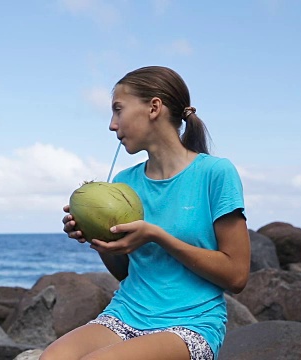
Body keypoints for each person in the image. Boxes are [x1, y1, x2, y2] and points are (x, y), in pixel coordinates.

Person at [40, 66, 250, 360]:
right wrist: (95, 237)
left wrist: (158, 236)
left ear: (154, 107)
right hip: (126, 313)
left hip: (190, 324)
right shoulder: (124, 182)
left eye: (118, 110)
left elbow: (237, 277)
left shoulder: (215, 173)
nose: (113, 125)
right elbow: (125, 270)